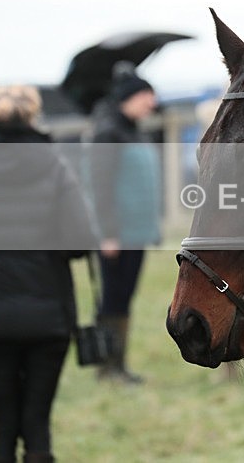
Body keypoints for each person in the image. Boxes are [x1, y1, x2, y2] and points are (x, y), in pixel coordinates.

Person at [0, 85, 97, 463]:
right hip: (50, 314)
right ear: (32, 116)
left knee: (2, 421)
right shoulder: (56, 168)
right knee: (37, 421)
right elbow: (81, 242)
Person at [88, 64, 161, 384]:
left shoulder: (133, 129)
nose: (151, 103)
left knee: (124, 296)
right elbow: (100, 187)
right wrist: (108, 233)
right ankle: (108, 366)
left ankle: (118, 364)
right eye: (146, 96)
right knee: (113, 298)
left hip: (135, 233)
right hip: (117, 234)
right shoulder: (108, 132)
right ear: (128, 98)